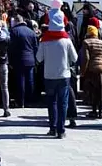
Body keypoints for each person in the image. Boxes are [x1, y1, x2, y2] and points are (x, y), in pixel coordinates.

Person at [36, 8, 79, 138]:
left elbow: (38, 58)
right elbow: (75, 58)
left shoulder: (45, 40)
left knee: (51, 103)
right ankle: (61, 130)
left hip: (49, 75)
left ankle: (53, 127)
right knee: (63, 103)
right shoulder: (66, 40)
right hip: (64, 75)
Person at [80, 25, 102, 119]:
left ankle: (94, 111)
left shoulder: (86, 42)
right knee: (100, 91)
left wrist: (83, 71)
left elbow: (86, 58)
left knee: (92, 91)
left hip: (91, 69)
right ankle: (100, 112)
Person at [8, 14, 38, 107]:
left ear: (16, 21)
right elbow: (35, 47)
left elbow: (11, 47)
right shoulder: (31, 32)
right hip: (30, 59)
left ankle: (21, 102)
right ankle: (30, 101)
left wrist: (11, 60)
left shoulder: (13, 31)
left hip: (18, 59)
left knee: (20, 80)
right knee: (30, 81)